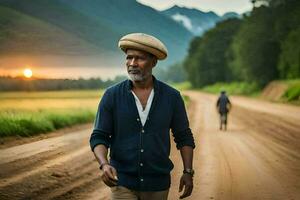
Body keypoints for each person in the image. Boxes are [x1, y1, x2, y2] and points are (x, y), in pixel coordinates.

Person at [89, 33, 195, 200]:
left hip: (158, 184)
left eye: (139, 58)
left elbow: (184, 137)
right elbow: (99, 136)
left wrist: (188, 172)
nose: (132, 63)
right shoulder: (111, 95)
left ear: (153, 62)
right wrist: (104, 165)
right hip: (122, 182)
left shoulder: (172, 97)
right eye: (129, 58)